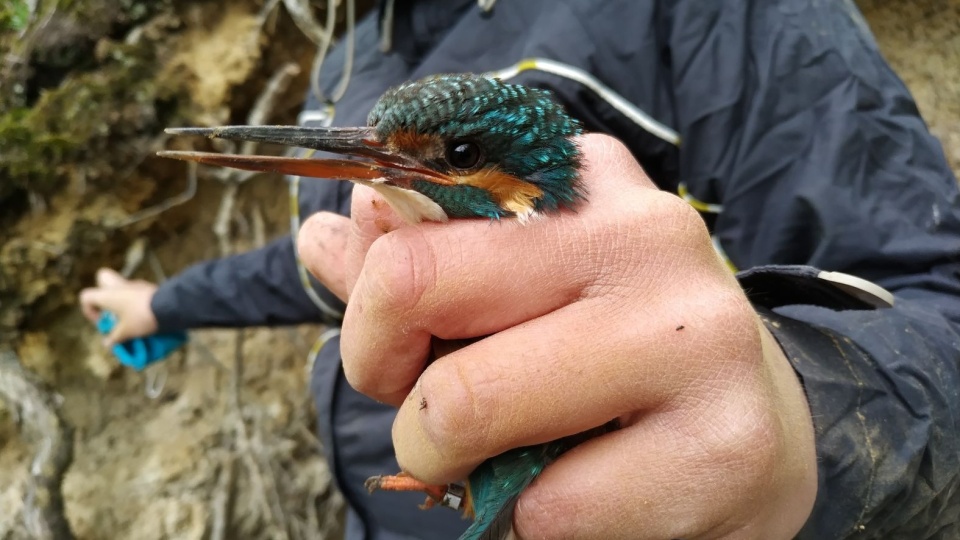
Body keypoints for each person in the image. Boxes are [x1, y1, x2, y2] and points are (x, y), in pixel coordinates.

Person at [80, 0, 960, 538]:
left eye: (452, 154)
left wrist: (802, 422)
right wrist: (165, 302)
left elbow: (934, 297)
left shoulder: (720, 12)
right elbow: (318, 261)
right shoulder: (354, 48)